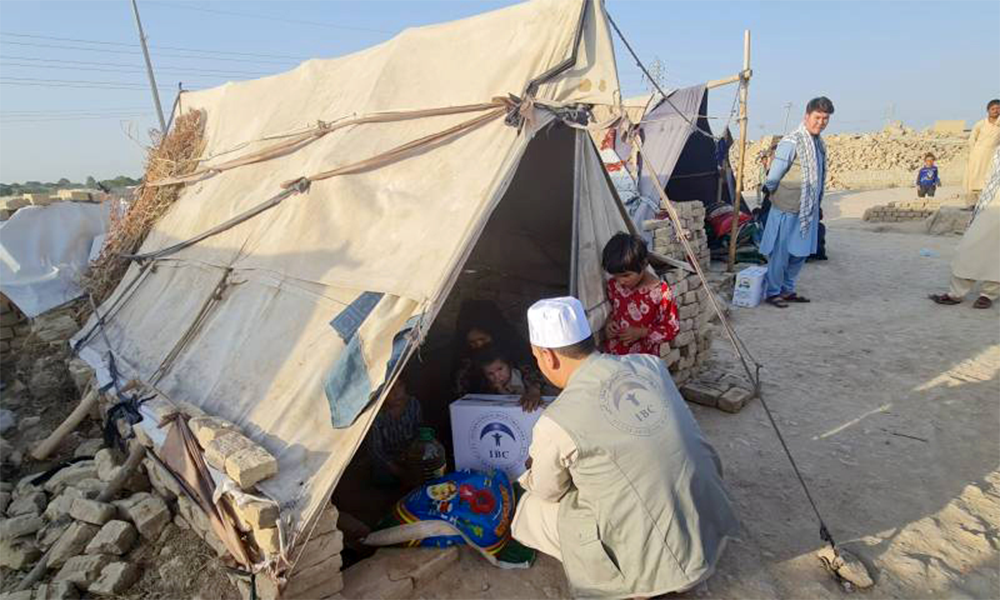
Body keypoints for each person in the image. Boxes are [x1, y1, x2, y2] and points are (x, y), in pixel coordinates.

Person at [512, 297, 738, 599]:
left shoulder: (556, 420)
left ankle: (632, 583)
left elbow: (546, 490)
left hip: (661, 567)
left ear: (546, 356)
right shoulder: (650, 365)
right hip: (709, 531)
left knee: (532, 507)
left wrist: (529, 474)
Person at [759, 97, 834, 307]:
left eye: (825, 119)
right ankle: (773, 292)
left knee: (799, 253)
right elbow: (775, 172)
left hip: (807, 208)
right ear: (807, 116)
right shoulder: (792, 141)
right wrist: (770, 191)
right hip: (786, 207)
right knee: (780, 254)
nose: (821, 122)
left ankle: (788, 289)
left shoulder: (818, 144)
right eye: (817, 117)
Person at [930, 146, 1000, 309]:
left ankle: (988, 295)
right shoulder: (998, 150)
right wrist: (979, 207)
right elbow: (992, 179)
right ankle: (957, 293)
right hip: (993, 205)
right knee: (968, 247)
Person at [451, 299, 546, 411]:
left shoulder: (513, 345)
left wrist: (534, 389)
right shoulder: (465, 356)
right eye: (473, 343)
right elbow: (461, 391)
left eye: (483, 339)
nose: (479, 345)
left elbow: (531, 369)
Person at [601, 232, 680, 356]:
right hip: (614, 358)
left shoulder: (661, 292)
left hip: (643, 361)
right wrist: (609, 325)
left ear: (643, 264)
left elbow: (671, 329)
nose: (621, 281)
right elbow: (613, 311)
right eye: (615, 276)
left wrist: (641, 333)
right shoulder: (613, 286)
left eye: (626, 275)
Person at [367, 378, 423, 488]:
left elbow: (419, 433)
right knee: (383, 477)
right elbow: (376, 451)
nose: (396, 393)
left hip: (411, 456)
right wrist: (398, 471)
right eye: (391, 388)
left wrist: (413, 457)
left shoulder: (413, 404)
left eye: (400, 385)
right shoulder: (377, 415)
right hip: (389, 462)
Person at [963, 99, 1000, 207]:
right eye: (993, 109)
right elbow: (972, 139)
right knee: (973, 178)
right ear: (988, 110)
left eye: (998, 109)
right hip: (977, 154)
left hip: (993, 155)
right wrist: (972, 153)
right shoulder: (980, 124)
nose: (996, 111)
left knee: (989, 179)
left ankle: (986, 204)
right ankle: (971, 204)